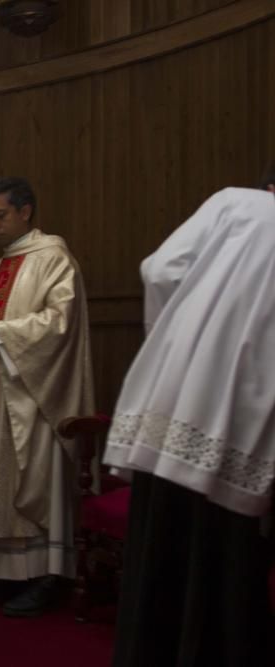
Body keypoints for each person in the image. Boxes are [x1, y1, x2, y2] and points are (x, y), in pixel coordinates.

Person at [104, 184, 275, 666]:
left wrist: (175, 344)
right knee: (227, 581)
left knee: (158, 564)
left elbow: (160, 270)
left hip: (170, 410)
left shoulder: (237, 203)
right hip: (248, 429)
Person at [0, 177, 94, 616]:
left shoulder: (54, 260)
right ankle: (4, 573)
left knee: (32, 479)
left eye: (1, 215)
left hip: (35, 398)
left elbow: (60, 324)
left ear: (26, 212)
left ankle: (47, 576)